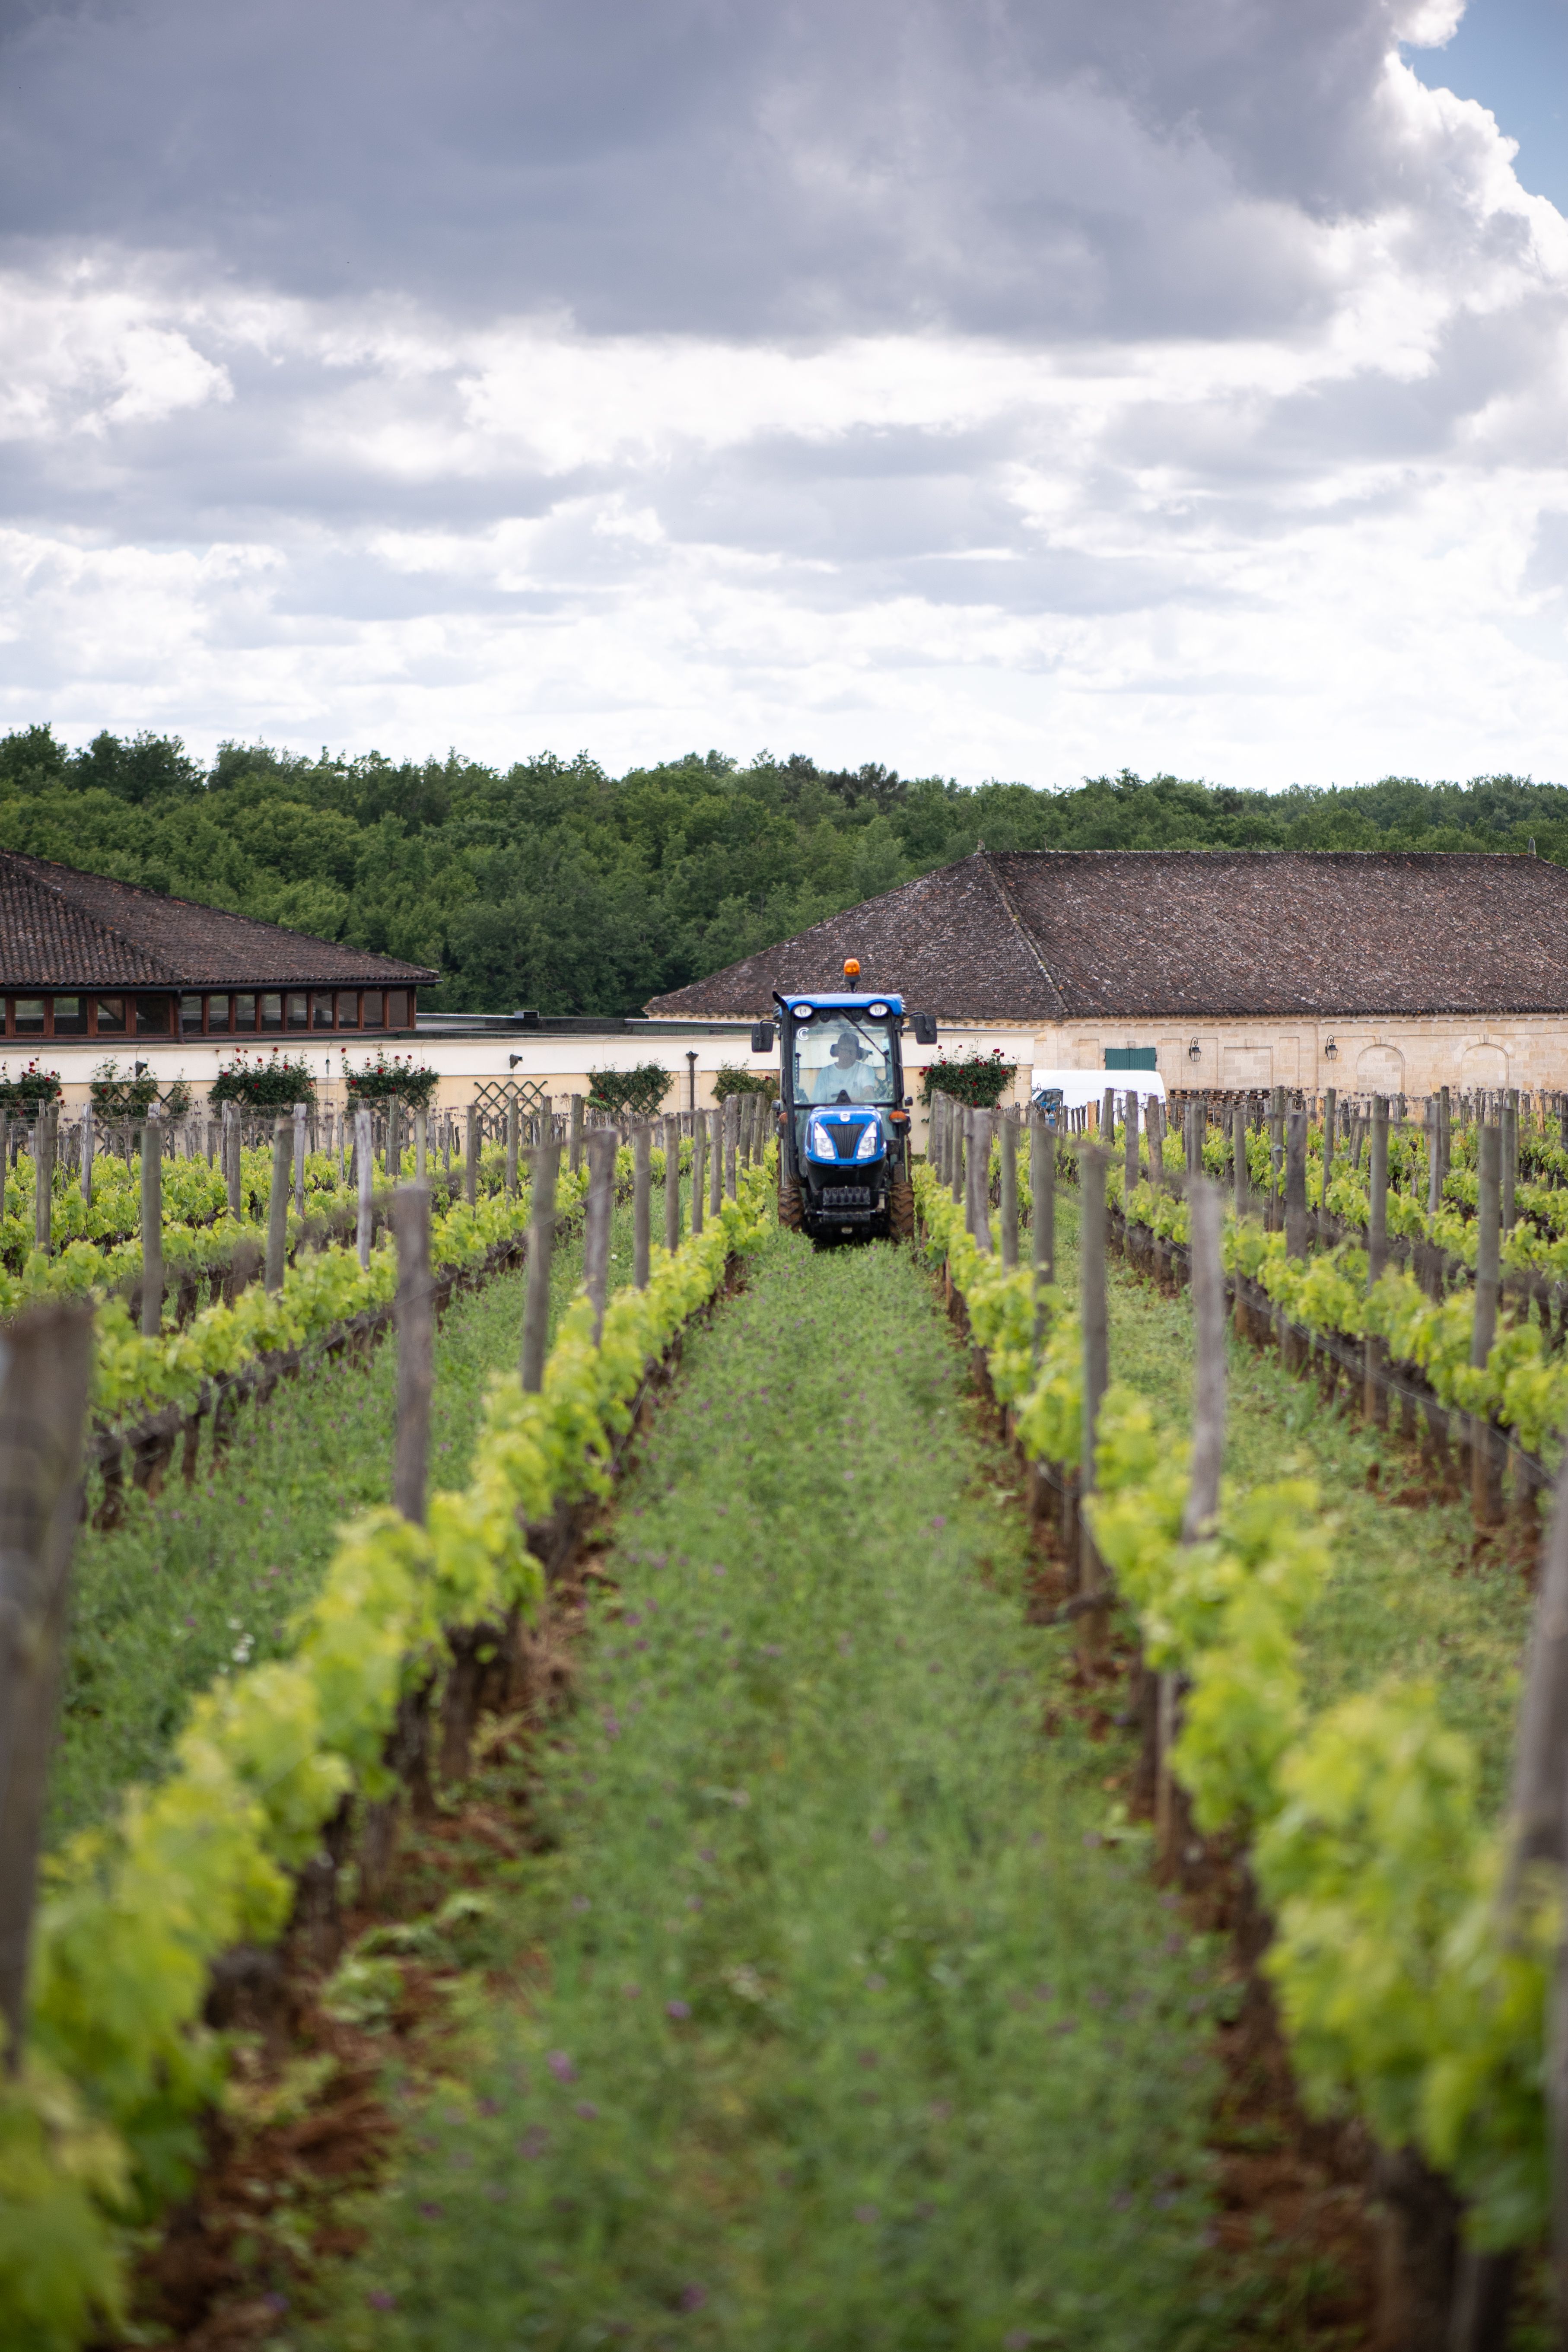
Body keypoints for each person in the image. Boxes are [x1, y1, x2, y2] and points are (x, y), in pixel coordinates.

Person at [812, 1028, 883, 1104]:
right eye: (845, 1050)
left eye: (852, 1051)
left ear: (857, 1053)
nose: (848, 1055)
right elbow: (817, 1103)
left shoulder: (864, 1070)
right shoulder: (826, 1073)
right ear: (838, 1051)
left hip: (858, 1113)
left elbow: (869, 1095)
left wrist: (852, 1101)